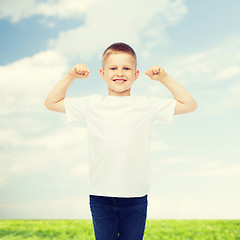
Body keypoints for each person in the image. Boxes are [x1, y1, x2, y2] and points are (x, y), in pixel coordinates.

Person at [44, 42, 197, 240]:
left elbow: (190, 104)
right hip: (101, 195)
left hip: (135, 196)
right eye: (113, 68)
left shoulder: (146, 104)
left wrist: (164, 78)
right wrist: (70, 76)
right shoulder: (92, 104)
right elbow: (51, 103)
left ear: (135, 74)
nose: (120, 73)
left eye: (126, 68)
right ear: (102, 73)